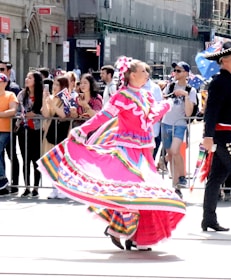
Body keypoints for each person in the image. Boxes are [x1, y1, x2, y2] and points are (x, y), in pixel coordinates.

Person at [38, 57, 185, 251]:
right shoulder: (122, 96)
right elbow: (104, 116)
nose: (148, 74)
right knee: (133, 192)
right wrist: (82, 131)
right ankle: (122, 230)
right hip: (126, 151)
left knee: (145, 193)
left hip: (144, 152)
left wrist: (168, 102)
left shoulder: (146, 96)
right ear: (133, 75)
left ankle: (134, 236)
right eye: (144, 71)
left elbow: (151, 117)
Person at [201, 41, 231, 231]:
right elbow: (211, 111)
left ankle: (208, 218)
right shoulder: (219, 82)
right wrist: (207, 136)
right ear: (223, 61)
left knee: (216, 178)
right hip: (227, 137)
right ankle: (208, 218)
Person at [162, 61, 197, 198]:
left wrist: (185, 96)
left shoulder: (190, 90)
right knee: (171, 156)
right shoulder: (170, 86)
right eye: (175, 70)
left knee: (176, 150)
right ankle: (176, 187)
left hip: (180, 124)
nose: (175, 73)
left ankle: (181, 177)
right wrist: (171, 94)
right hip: (166, 123)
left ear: (186, 73)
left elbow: (188, 113)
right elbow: (162, 102)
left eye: (179, 71)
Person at [41, 75, 70, 199]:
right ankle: (54, 188)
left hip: (62, 132)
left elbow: (63, 114)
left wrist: (53, 104)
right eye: (54, 84)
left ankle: (63, 188)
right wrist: (44, 98)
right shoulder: (51, 98)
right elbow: (46, 113)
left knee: (61, 161)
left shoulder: (66, 97)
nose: (55, 87)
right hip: (50, 132)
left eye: (58, 85)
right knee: (51, 161)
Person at [16, 71, 43, 198]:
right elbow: (18, 112)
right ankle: (26, 187)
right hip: (24, 129)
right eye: (26, 77)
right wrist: (24, 116)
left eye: (30, 78)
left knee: (36, 159)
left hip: (37, 130)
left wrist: (35, 114)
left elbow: (46, 112)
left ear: (36, 81)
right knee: (25, 159)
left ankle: (36, 187)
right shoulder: (22, 94)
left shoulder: (42, 95)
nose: (27, 79)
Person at [0, 61, 21, 194]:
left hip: (7, 129)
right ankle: (2, 181)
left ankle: (9, 181)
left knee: (12, 155)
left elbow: (13, 110)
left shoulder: (11, 92)